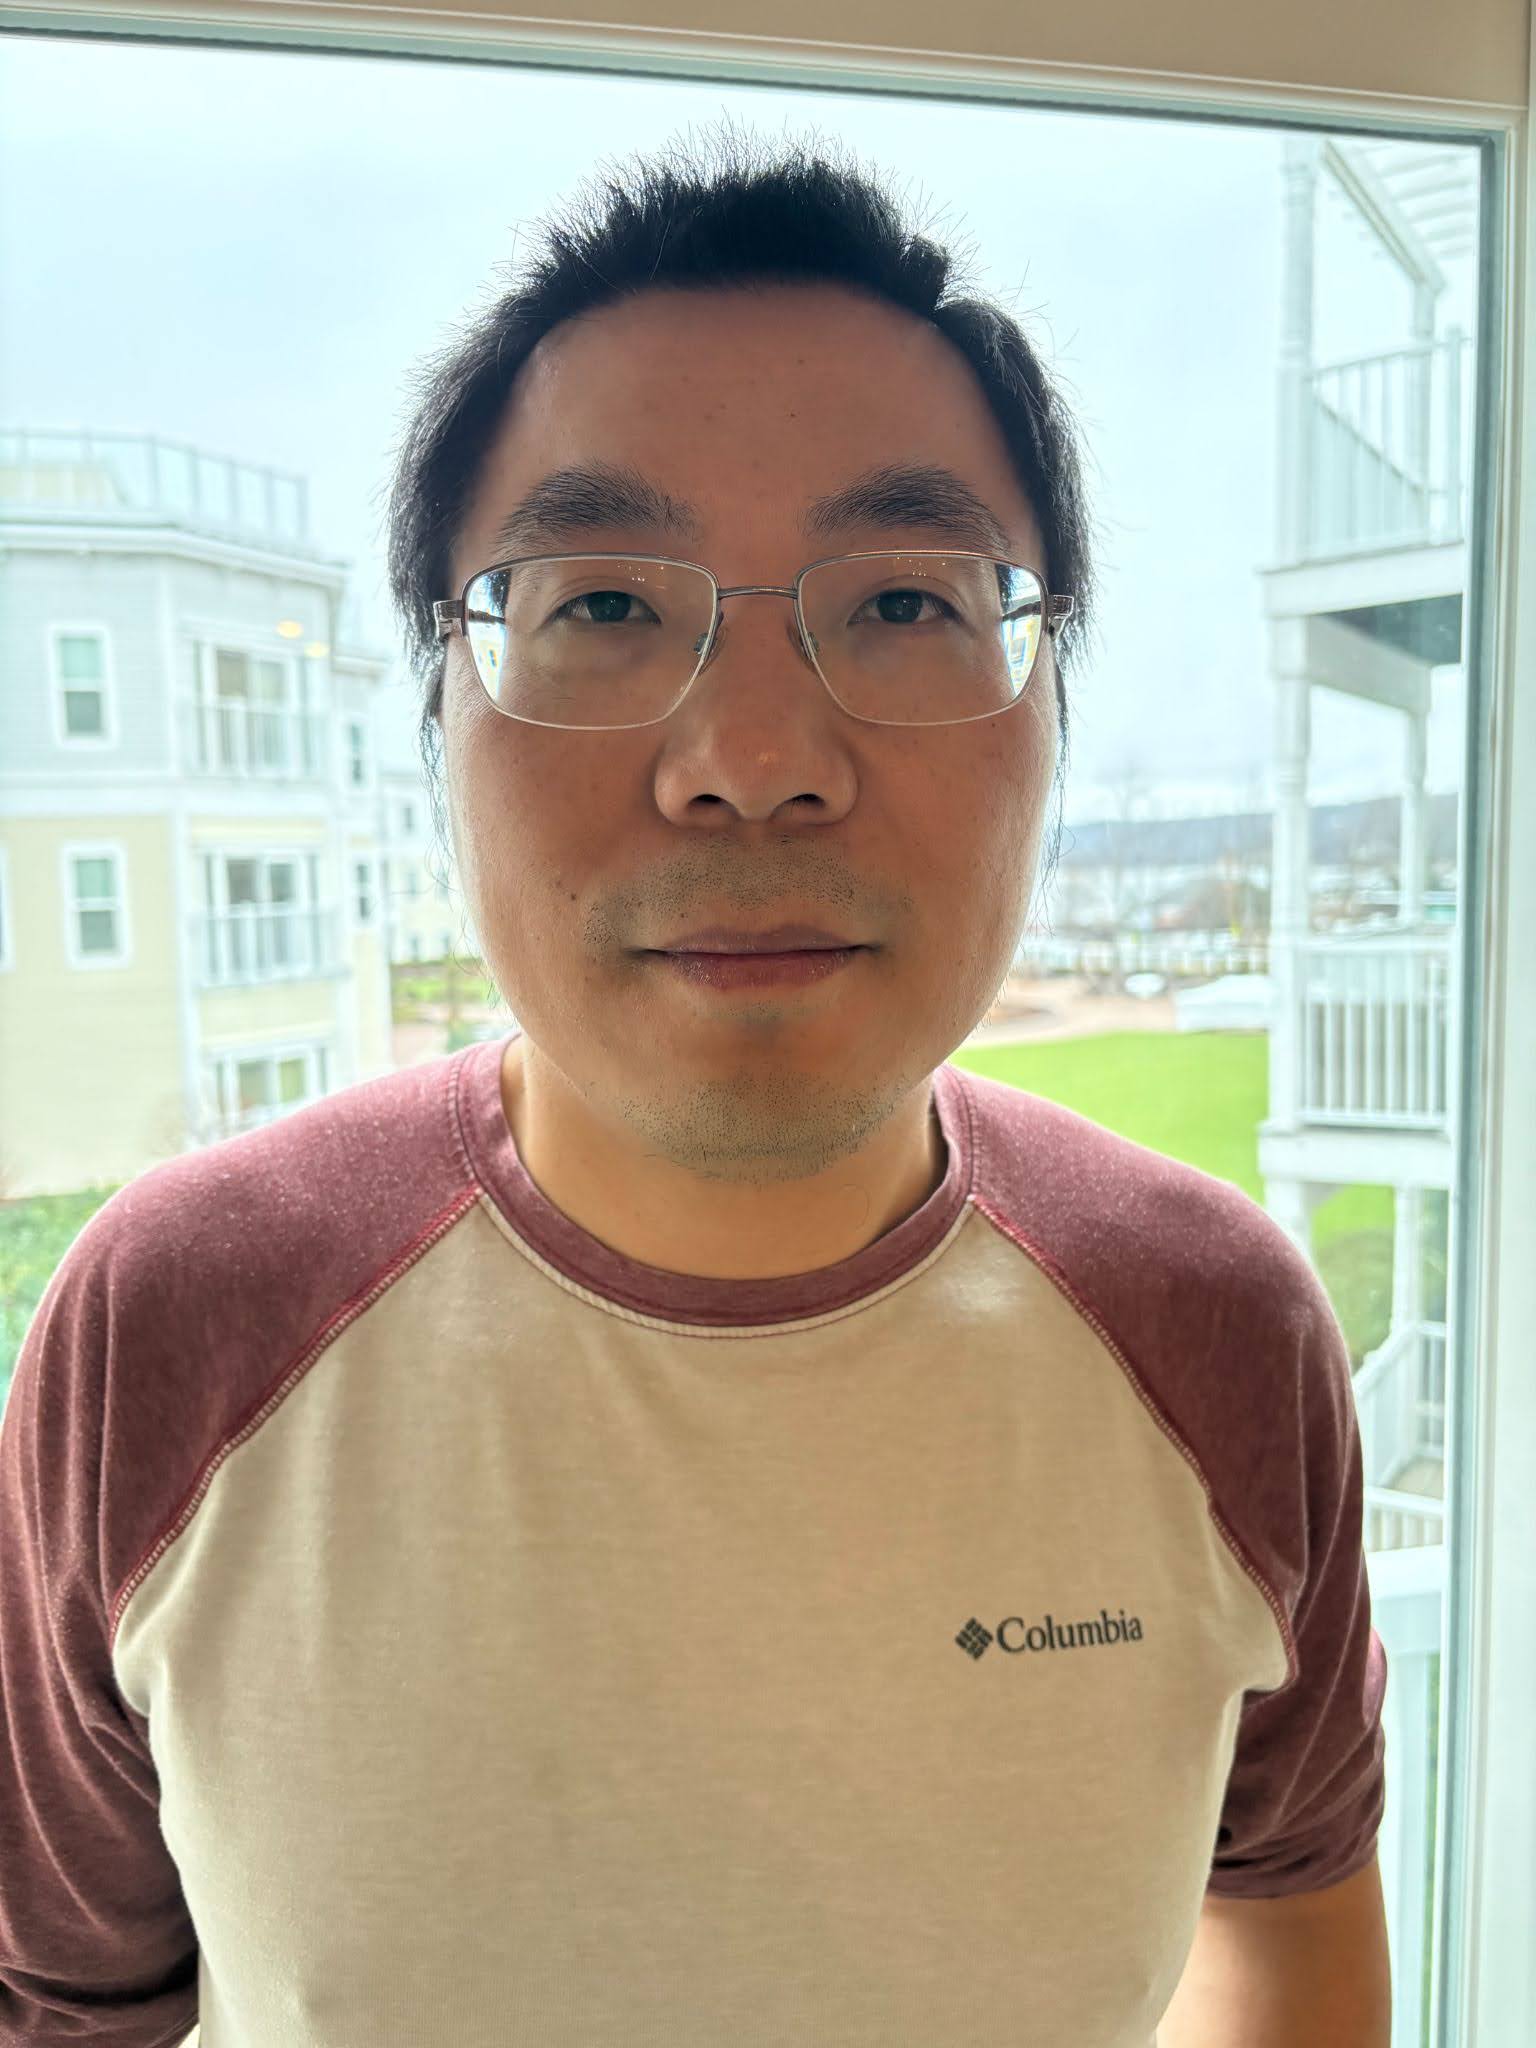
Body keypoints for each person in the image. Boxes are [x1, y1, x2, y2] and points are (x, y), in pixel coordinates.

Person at [0, 127, 1389, 2047]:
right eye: (600, 604)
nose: (749, 759)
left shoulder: (1218, 1329)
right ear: (435, 715)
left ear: (1054, 699)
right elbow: (67, 2004)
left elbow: (1288, 1931)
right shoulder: (170, 1326)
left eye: (905, 601)